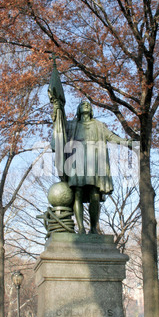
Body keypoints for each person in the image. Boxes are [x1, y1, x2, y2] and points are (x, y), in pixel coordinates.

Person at [51, 99, 132, 234]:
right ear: (78, 110)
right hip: (77, 158)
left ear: (92, 110)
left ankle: (93, 228)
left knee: (95, 194)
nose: (86, 105)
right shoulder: (72, 125)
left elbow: (111, 136)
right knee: (78, 192)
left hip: (95, 160)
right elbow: (60, 127)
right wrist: (57, 109)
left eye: (88, 104)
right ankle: (81, 228)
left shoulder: (99, 125)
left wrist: (126, 142)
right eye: (83, 104)